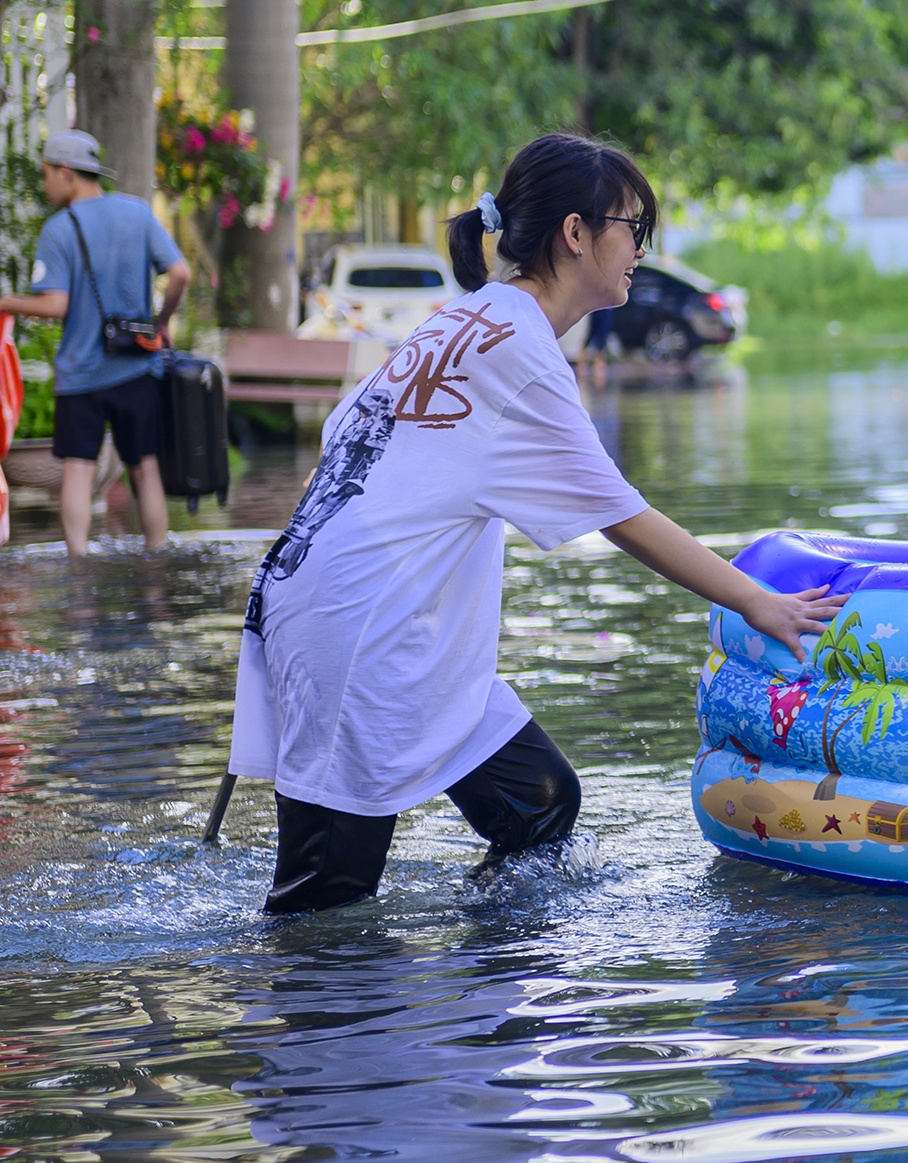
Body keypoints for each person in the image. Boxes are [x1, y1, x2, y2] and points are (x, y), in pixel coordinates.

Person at [227, 134, 845, 914]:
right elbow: (622, 514)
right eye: (633, 227)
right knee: (325, 905)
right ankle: (336, 1022)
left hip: (354, 612)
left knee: (541, 805)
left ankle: (487, 1017)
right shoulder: (517, 346)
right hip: (361, 632)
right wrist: (758, 601)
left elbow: (338, 453)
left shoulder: (465, 319)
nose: (642, 250)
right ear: (576, 233)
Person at [0, 130, 190, 557]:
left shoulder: (59, 229)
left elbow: (56, 304)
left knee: (79, 470)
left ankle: (78, 564)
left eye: (47, 175)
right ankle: (157, 557)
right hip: (136, 367)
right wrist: (159, 323)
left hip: (81, 375)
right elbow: (180, 273)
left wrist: (6, 302)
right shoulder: (138, 213)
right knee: (145, 468)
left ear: (66, 174)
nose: (46, 184)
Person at [580, 305, 615, 381]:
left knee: (601, 337)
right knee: (592, 336)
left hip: (605, 308)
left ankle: (598, 366)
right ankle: (583, 365)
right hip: (597, 308)